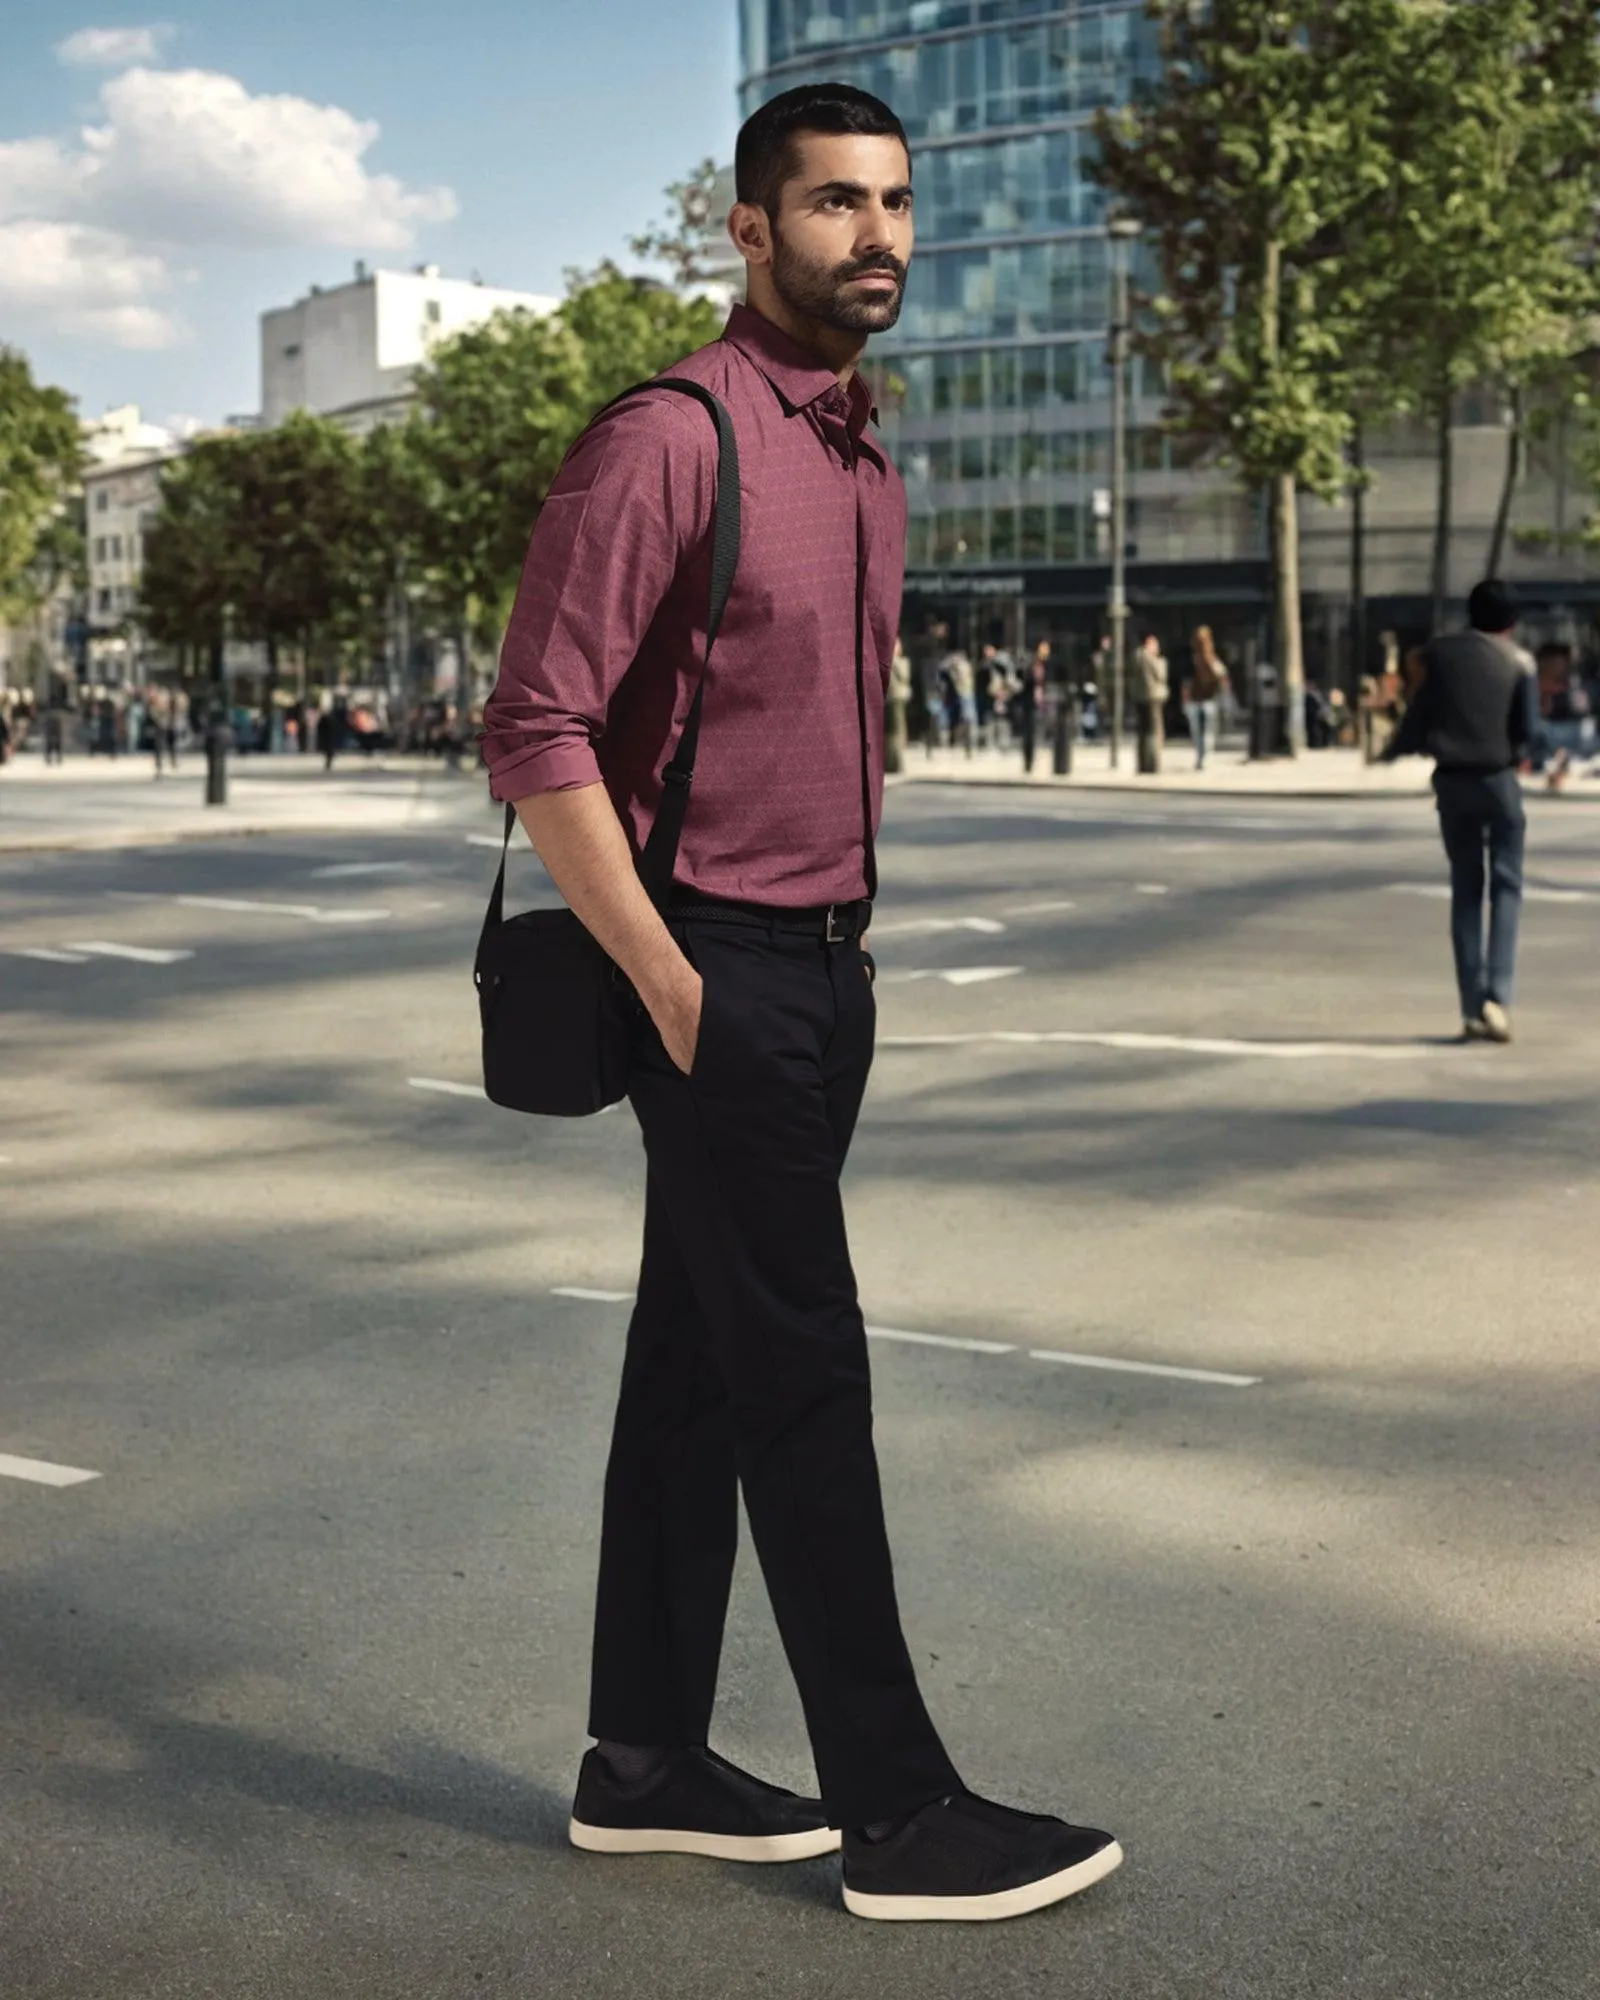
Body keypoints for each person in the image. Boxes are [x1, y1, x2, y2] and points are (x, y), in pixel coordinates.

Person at [480, 80, 1120, 1925]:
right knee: (804, 1384)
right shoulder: (673, 439)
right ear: (751, 230)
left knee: (694, 1370)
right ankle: (901, 1815)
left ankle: (644, 1760)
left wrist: (827, 960)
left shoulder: (856, 448)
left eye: (898, 202)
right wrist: (674, 987)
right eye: (836, 205)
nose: (882, 236)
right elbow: (533, 727)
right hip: (721, 970)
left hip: (827, 963)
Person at [1385, 578, 1538, 1043]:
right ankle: (1499, 997)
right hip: (1497, 780)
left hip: (1452, 782)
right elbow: (1526, 731)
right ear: (1511, 623)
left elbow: (1420, 714)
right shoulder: (1519, 663)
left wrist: (1395, 750)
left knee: (1466, 890)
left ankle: (1472, 1006)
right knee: (1506, 886)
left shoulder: (1440, 655)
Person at [1182, 626, 1229, 771]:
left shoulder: (1209, 657)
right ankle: (1203, 757)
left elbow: (1222, 676)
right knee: (1202, 731)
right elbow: (1223, 678)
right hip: (1203, 699)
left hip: (1203, 699)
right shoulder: (1201, 658)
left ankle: (1202, 757)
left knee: (1203, 731)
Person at [1131, 631, 1168, 774]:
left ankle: (1142, 764)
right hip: (1152, 696)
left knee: (1142, 732)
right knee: (1154, 731)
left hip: (1140, 696)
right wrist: (1159, 659)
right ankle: (1152, 764)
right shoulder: (1149, 657)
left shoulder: (1136, 656)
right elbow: (1161, 675)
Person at [1014, 639, 1049, 773]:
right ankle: (1028, 762)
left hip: (1035, 704)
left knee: (1033, 733)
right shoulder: (1031, 666)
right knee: (1029, 733)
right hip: (1029, 704)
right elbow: (1028, 683)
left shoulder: (1040, 665)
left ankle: (1030, 761)